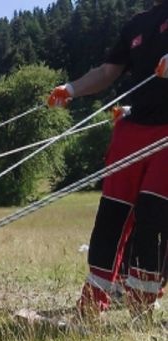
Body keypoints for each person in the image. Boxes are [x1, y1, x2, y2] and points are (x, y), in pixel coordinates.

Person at [47, 0, 167, 320]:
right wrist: (71, 88)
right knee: (111, 214)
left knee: (154, 214)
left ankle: (142, 305)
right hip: (133, 130)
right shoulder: (136, 24)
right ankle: (93, 301)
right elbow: (107, 71)